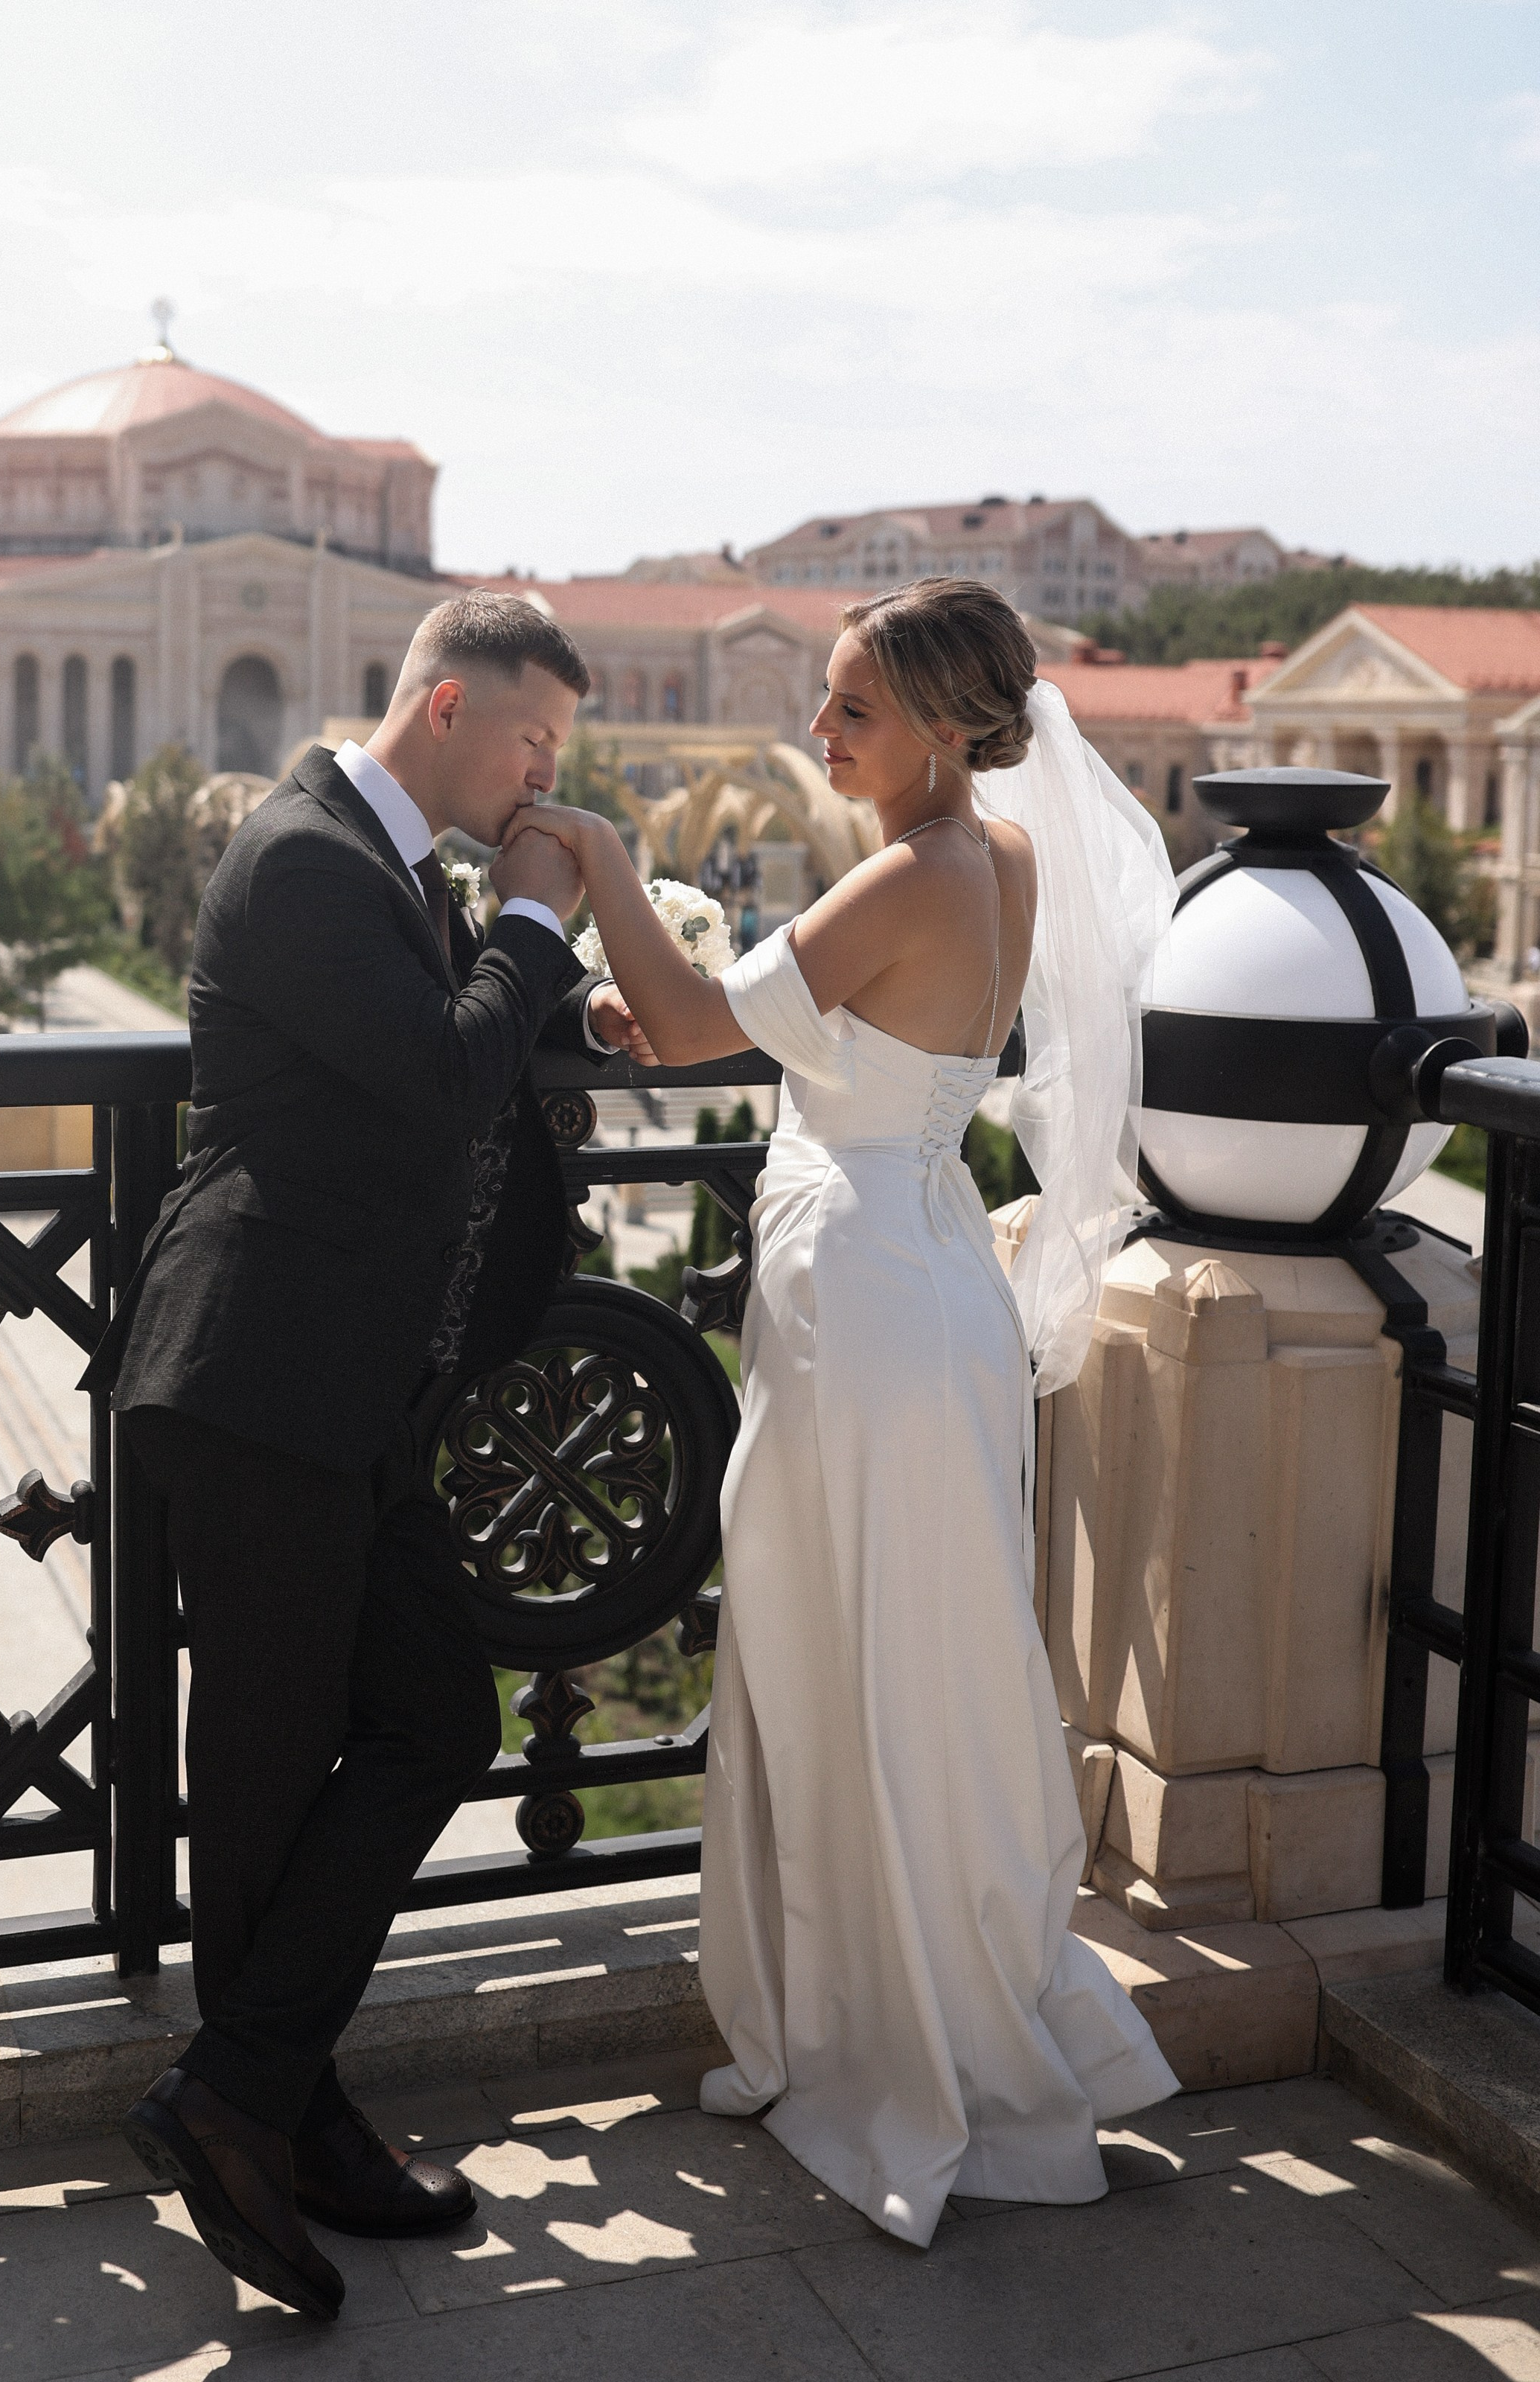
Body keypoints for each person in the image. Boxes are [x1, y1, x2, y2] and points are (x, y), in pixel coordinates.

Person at [504, 577, 1181, 2246]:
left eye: (850, 710)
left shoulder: (917, 868)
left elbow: (681, 1026)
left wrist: (591, 863)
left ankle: (892, 2043)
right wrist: (659, 997)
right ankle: (925, 1999)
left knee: (862, 1645)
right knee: (911, 1642)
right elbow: (791, 1026)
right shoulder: (1000, 860)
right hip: (911, 1265)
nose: (818, 735)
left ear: (950, 727)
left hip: (871, 1293)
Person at [86, 592, 654, 2319]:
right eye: (534, 744)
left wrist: (550, 996)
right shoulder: (307, 856)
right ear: (448, 705)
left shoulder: (390, 868)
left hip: (352, 1399)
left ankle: (255, 2092)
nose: (544, 778)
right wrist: (541, 931)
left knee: (432, 1719)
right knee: (261, 1789)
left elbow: (450, 1067)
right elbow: (430, 1073)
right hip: (259, 1385)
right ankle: (270, 2116)